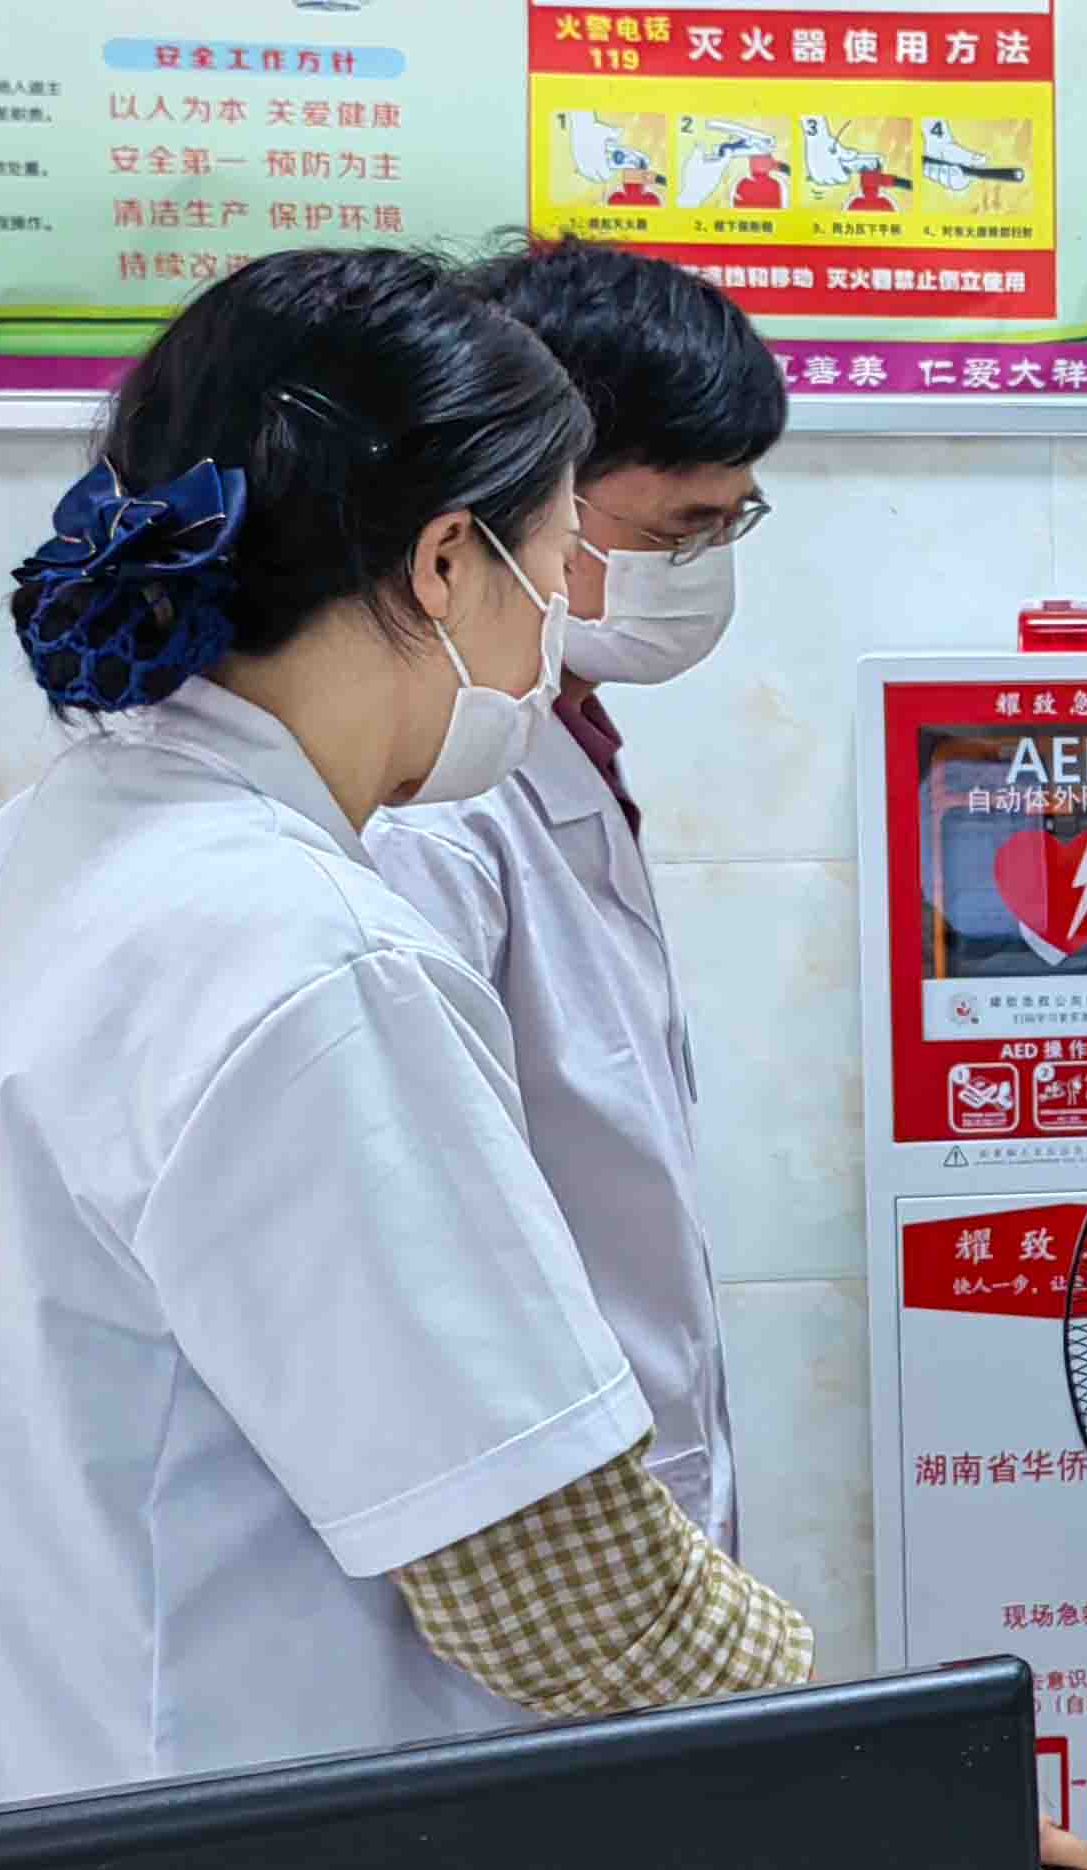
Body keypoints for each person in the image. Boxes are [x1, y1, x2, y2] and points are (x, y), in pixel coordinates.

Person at [0, 246, 1087, 1870]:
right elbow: (563, 1588)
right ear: (441, 561)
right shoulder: (298, 948)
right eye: (562, 553)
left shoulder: (55, 848)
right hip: (218, 1849)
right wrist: (887, 1783)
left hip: (21, 1818)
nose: (561, 618)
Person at [366, 238, 778, 1553]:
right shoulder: (426, 811)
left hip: (615, 1514)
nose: (706, 569)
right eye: (676, 533)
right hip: (526, 1544)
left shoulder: (563, 746)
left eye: (732, 526)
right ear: (510, 512)